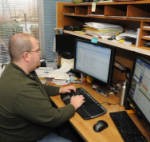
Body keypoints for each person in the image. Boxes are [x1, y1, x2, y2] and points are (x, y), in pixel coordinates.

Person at [0, 33, 85, 142]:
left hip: (24, 129)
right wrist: (73, 105)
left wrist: (59, 90)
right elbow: (53, 118)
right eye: (38, 50)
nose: (40, 54)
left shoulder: (14, 69)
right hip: (25, 137)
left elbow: (37, 87)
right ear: (26, 56)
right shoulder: (22, 89)